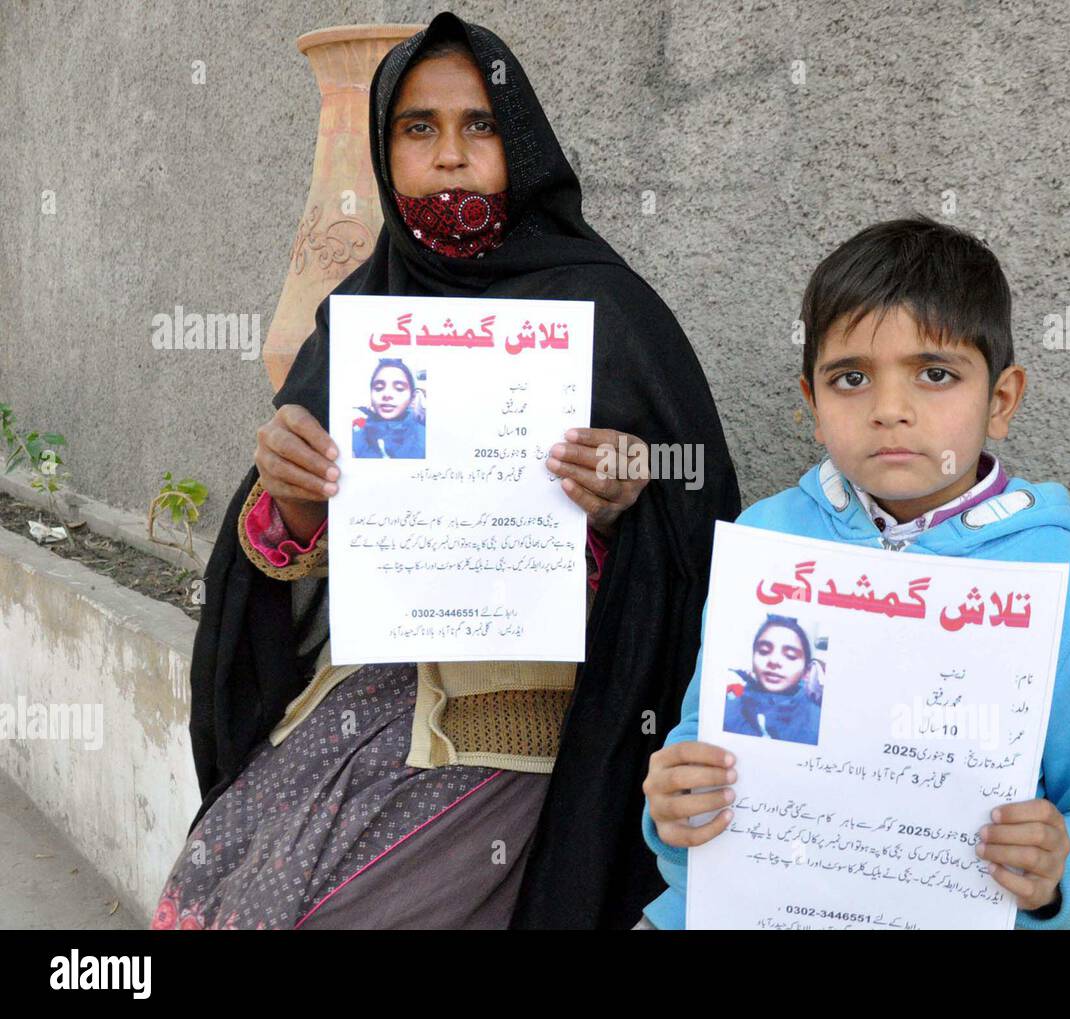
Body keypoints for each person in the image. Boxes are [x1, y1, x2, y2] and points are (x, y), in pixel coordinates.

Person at [156, 10, 740, 930]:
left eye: (481, 126)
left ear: (523, 145)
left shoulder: (611, 311)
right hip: (365, 696)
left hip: (538, 728)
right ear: (386, 155)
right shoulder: (364, 312)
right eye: (418, 128)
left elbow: (699, 513)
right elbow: (279, 565)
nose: (452, 154)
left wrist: (631, 494)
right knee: (209, 901)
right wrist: (294, 500)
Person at [639, 215, 1070, 930]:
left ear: (1002, 400)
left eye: (935, 373)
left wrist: (1063, 866)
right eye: (851, 378)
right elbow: (708, 741)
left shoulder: (1069, 584)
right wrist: (673, 805)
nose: (890, 409)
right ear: (814, 407)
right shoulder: (767, 544)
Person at [722, 615, 821, 745]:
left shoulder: (818, 724)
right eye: (764, 651)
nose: (774, 661)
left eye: (790, 656)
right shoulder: (726, 713)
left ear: (806, 672)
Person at [351, 358, 425, 458]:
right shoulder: (353, 440)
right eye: (378, 388)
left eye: (399, 388)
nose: (387, 394)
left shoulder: (426, 439)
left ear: (412, 398)